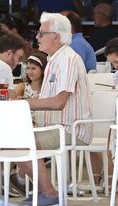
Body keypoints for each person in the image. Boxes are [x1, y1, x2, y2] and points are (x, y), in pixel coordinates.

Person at [20, 12, 92, 206]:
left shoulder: (68, 60)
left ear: (56, 37)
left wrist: (23, 103)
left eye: (41, 33)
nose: (37, 37)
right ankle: (41, 189)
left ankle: (49, 193)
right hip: (54, 126)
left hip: (69, 129)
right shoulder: (53, 59)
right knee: (11, 138)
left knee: (20, 141)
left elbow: (60, 102)